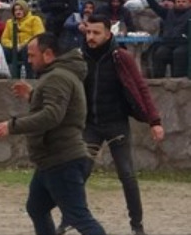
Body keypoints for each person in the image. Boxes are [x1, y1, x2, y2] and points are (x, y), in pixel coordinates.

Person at [54, 15, 164, 235]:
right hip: (90, 125)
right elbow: (63, 86)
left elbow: (140, 88)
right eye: (88, 32)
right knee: (79, 173)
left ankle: (137, 225)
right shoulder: (79, 58)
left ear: (108, 33)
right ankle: (69, 218)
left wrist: (155, 121)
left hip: (116, 124)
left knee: (127, 174)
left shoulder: (121, 57)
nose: (91, 37)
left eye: (96, 33)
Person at [0, 33, 107, 235]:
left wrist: (13, 126)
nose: (28, 60)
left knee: (79, 217)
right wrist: (33, 95)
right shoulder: (60, 75)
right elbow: (60, 108)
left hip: (62, 159)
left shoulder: (57, 77)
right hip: (51, 159)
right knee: (36, 208)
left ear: (48, 54)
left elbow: (53, 115)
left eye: (32, 55)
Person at [140, 0, 191, 78]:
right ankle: (158, 82)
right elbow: (155, 7)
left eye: (184, 2)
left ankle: (179, 82)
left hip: (184, 44)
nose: (181, 4)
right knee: (160, 53)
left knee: (179, 54)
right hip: (168, 43)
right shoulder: (168, 13)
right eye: (178, 2)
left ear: (189, 3)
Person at [1, 0, 45, 78]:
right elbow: (4, 39)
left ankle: (30, 77)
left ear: (25, 9)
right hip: (14, 48)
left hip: (28, 47)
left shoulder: (34, 19)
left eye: (20, 9)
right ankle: (6, 75)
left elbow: (38, 35)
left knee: (27, 50)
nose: (18, 12)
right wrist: (14, 45)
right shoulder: (9, 22)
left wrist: (23, 44)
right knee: (3, 50)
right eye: (16, 10)